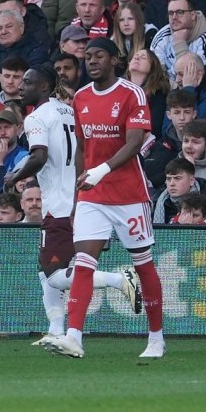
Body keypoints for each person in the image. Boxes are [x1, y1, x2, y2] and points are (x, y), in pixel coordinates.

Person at [44, 37, 165, 359]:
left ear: (114, 60)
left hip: (128, 195)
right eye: (88, 57)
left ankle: (156, 338)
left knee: (144, 265)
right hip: (92, 196)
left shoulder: (132, 94)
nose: (91, 61)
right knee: (83, 264)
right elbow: (83, 149)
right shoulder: (81, 98)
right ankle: (74, 337)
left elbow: (135, 141)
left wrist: (104, 170)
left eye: (98, 56)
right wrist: (77, 195)